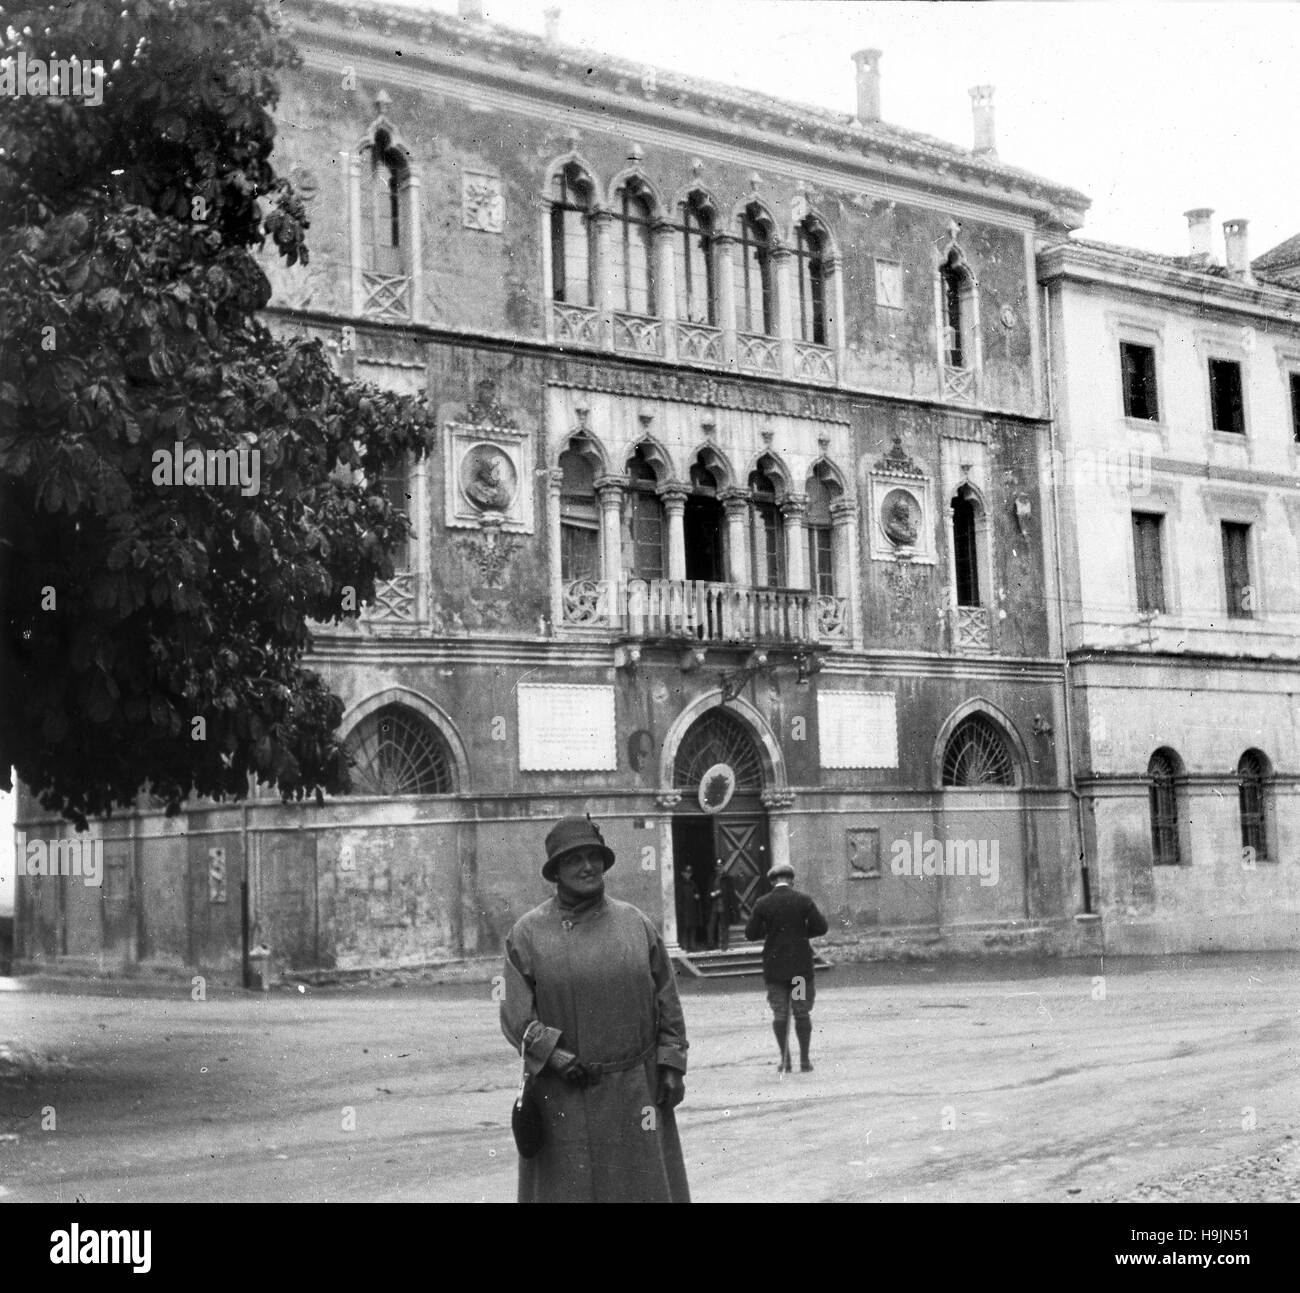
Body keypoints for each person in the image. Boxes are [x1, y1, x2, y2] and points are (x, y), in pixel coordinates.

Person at [500, 816, 690, 1203]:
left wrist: (671, 1064)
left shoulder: (635, 924)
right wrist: (553, 1054)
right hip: (565, 1093)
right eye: (573, 860)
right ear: (555, 871)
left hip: (636, 1090)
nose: (587, 867)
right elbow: (515, 1015)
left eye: (593, 857)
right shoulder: (527, 933)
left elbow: (667, 999)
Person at [744, 861, 828, 1073]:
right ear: (791, 880)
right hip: (799, 970)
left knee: (780, 1014)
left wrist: (772, 934)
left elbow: (750, 933)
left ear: (772, 881)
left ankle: (785, 1061)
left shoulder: (763, 903)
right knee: (801, 1012)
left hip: (775, 971)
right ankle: (805, 1061)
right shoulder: (803, 901)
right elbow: (821, 927)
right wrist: (801, 934)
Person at [706, 859, 737, 951]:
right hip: (714, 906)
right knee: (711, 926)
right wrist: (712, 894)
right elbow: (708, 892)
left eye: (721, 866)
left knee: (724, 927)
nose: (719, 868)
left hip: (724, 906)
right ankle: (710, 945)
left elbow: (731, 894)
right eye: (717, 867)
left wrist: (721, 893)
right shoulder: (712, 878)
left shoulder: (728, 879)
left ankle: (724, 946)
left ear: (723, 867)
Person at [675, 863, 703, 952]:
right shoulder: (680, 885)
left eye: (689, 873)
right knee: (685, 928)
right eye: (686, 873)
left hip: (693, 910)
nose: (688, 875)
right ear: (682, 873)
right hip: (684, 910)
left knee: (693, 928)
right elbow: (679, 898)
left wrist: (697, 896)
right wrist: (680, 910)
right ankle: (685, 945)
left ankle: (692, 945)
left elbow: (697, 894)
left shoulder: (693, 884)